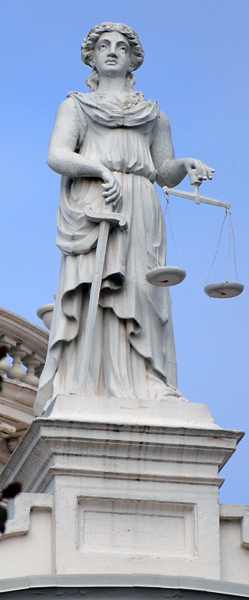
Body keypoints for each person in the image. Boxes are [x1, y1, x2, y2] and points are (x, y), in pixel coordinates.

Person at [34, 22, 214, 416]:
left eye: (121, 46)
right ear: (92, 57)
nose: (112, 50)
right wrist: (100, 172)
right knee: (95, 291)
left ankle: (149, 379)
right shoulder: (76, 105)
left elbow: (163, 170)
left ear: (134, 59)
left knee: (142, 290)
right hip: (97, 200)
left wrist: (185, 164)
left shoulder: (154, 114)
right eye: (103, 45)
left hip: (140, 206)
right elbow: (57, 155)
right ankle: (85, 378)